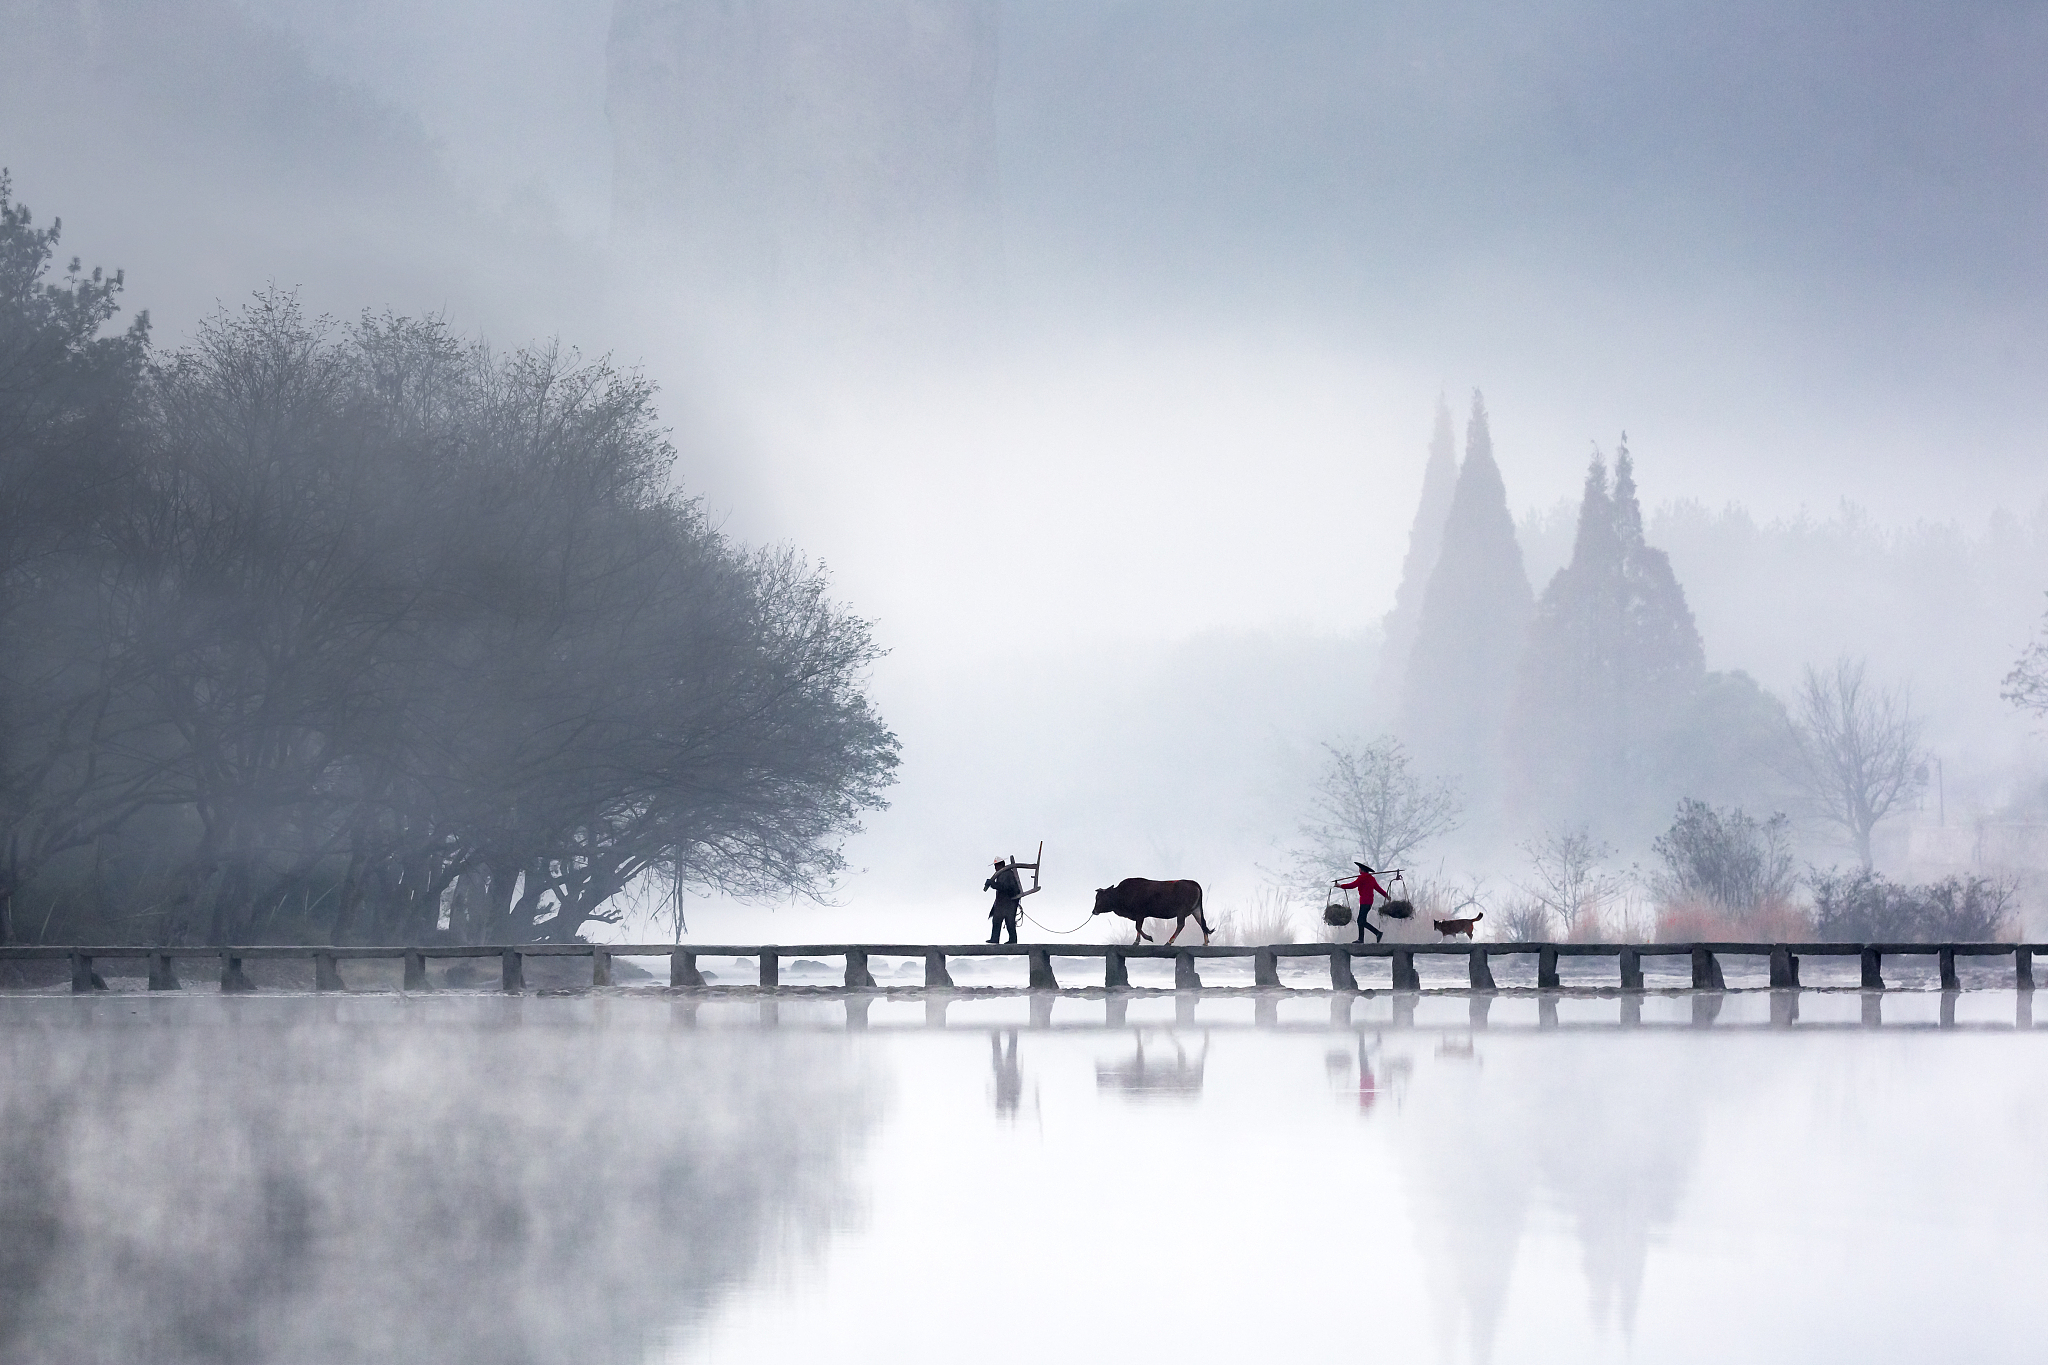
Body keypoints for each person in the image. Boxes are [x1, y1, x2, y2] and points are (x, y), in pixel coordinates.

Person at [1334, 862, 1388, 944]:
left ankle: (1375, 934)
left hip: (1364, 902)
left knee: (1360, 921)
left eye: (1359, 868)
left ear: (1361, 869)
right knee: (1361, 920)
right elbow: (1378, 889)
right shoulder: (1371, 879)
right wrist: (1386, 895)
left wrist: (1341, 886)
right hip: (1369, 902)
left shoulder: (1361, 878)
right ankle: (1364, 938)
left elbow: (1352, 885)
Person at [985, 856, 1025, 944]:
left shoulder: (1007, 874)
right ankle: (995, 938)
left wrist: (993, 885)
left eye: (997, 865)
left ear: (1001, 865)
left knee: (1009, 921)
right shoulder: (1002, 874)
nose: (996, 868)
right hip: (1003, 903)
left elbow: (1007, 888)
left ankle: (1012, 940)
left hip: (1009, 902)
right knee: (997, 920)